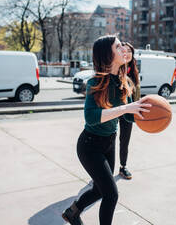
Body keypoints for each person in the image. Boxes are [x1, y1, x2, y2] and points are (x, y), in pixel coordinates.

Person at [62, 35, 151, 225]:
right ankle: (73, 213)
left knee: (101, 190)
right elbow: (91, 117)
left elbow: (125, 116)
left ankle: (73, 212)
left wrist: (141, 114)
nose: (124, 49)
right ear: (107, 55)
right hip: (90, 146)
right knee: (111, 195)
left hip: (109, 143)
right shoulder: (95, 83)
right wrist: (127, 108)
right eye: (118, 46)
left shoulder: (123, 81)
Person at [118, 42, 140, 180]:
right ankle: (104, 169)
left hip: (128, 111)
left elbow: (137, 94)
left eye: (129, 51)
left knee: (124, 140)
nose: (126, 54)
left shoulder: (134, 72)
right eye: (123, 51)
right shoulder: (116, 69)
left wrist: (138, 110)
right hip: (115, 109)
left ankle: (123, 166)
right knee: (109, 139)